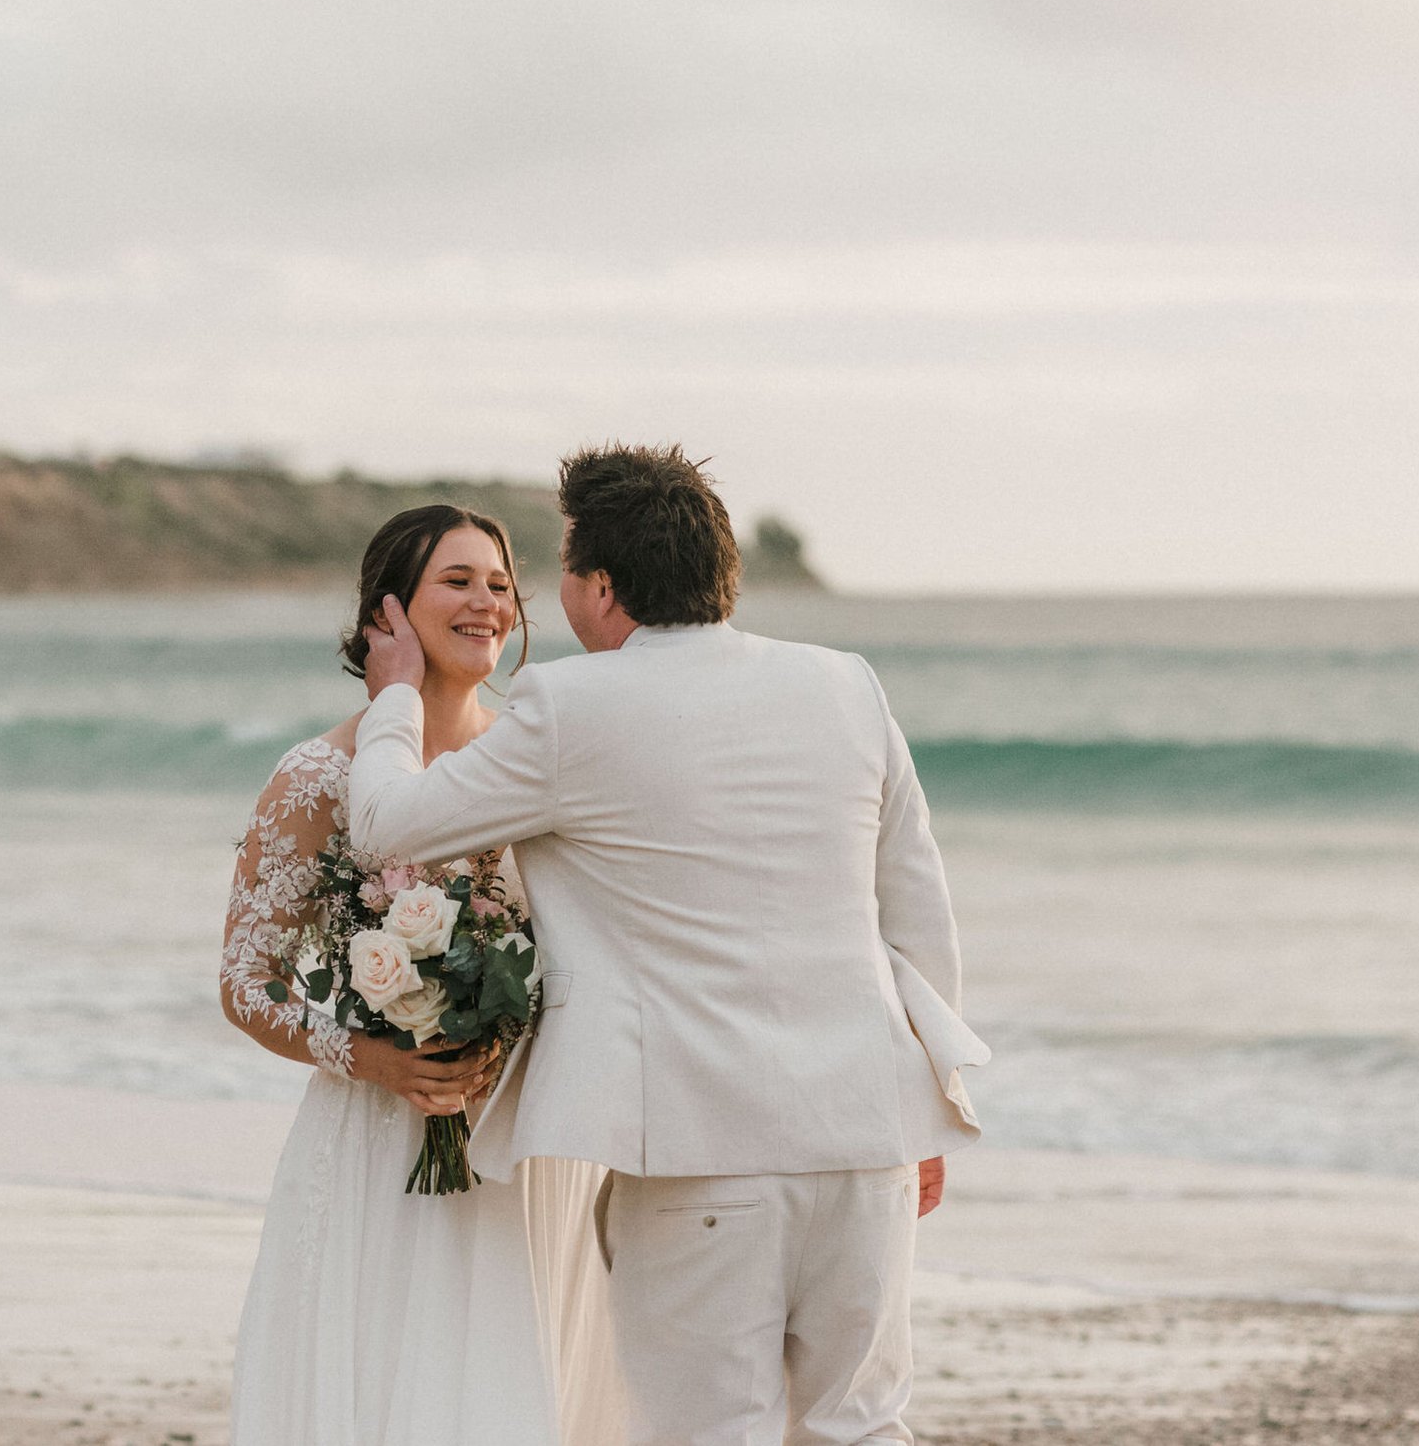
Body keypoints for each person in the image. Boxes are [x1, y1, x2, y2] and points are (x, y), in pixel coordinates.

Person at [349, 445, 989, 1446]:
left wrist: (394, 693)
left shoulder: (570, 706)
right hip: (867, 1136)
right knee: (861, 1427)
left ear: (599, 585)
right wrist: (932, 1103)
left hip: (700, 1157)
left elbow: (388, 826)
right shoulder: (844, 686)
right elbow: (915, 907)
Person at [221, 504, 621, 1446]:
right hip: (384, 1144)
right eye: (458, 580)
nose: (487, 601)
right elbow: (247, 980)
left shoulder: (534, 756)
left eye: (500, 584)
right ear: (387, 613)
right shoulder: (319, 775)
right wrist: (376, 1056)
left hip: (531, 1139)